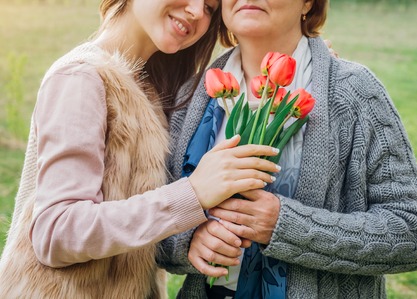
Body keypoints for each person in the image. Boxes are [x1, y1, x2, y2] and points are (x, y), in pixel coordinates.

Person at [0, 0, 282, 298]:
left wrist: (303, 66)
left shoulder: (152, 89)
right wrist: (193, 194)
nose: (198, 12)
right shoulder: (81, 78)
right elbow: (57, 233)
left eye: (210, 7)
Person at [159, 0, 417, 298]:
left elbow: (412, 232)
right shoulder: (192, 99)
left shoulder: (355, 93)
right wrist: (190, 242)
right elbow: (154, 229)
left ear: (307, 3)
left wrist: (285, 225)